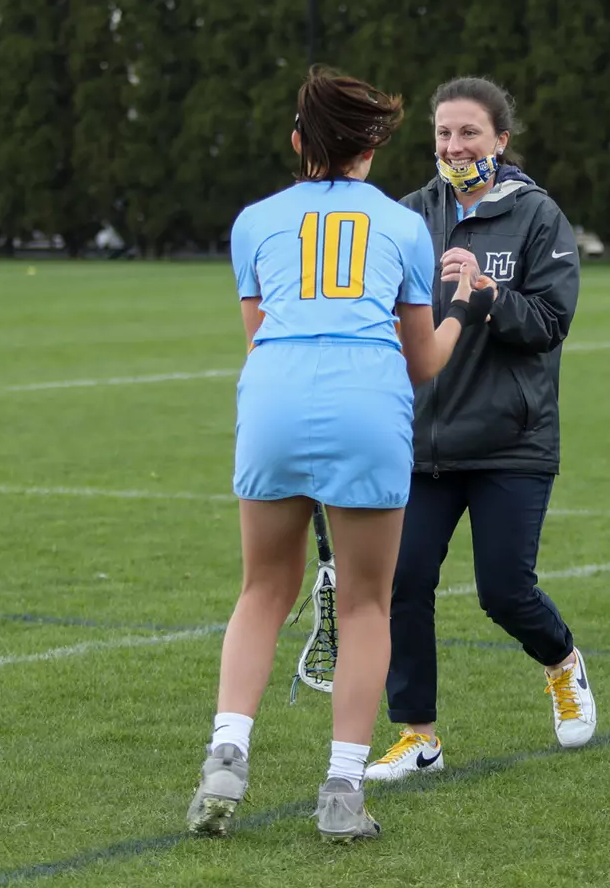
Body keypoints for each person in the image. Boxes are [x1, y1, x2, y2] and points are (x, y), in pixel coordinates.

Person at [189, 67, 494, 842]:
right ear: (370, 149)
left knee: (262, 589)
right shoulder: (401, 226)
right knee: (364, 603)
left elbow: (260, 333)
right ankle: (343, 790)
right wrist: (465, 309)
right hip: (366, 403)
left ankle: (226, 754)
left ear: (299, 144)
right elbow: (423, 360)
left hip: (274, 398)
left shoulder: (254, 220)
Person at [363, 76, 592, 784]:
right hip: (425, 440)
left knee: (503, 591)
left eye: (468, 133)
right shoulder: (407, 217)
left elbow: (551, 323)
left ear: (500, 140)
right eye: (442, 133)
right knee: (403, 581)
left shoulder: (537, 216)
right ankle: (418, 734)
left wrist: (489, 296)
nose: (453, 146)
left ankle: (560, 659)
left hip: (511, 442)